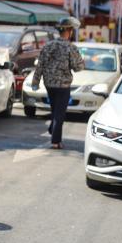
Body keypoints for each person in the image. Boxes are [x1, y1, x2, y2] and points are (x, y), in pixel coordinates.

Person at [31, 17, 85, 150]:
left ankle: (52, 128)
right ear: (69, 31)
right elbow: (78, 67)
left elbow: (40, 65)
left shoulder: (48, 45)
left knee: (55, 110)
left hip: (49, 84)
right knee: (59, 113)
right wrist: (82, 63)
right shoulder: (70, 47)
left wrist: (35, 82)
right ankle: (55, 141)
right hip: (63, 86)